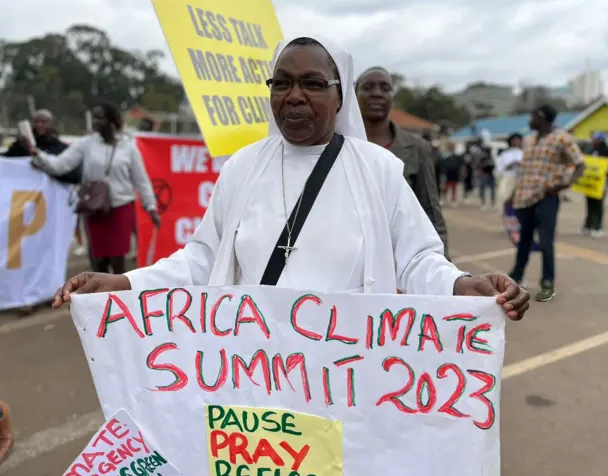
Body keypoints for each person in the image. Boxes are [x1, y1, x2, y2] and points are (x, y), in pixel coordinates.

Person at [51, 37, 529, 321]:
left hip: (347, 369)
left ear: (339, 97)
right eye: (282, 82)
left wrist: (462, 286)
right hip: (254, 370)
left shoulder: (378, 169)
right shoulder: (242, 166)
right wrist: (125, 282)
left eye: (313, 83)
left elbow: (418, 259)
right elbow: (202, 259)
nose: (294, 96)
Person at [31, 102, 160, 275]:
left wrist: (150, 207)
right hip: (94, 208)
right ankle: (100, 299)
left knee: (117, 258)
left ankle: (120, 297)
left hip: (121, 208)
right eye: (94, 117)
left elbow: (141, 180)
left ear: (111, 120)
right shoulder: (85, 144)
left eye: (99, 117)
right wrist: (37, 155)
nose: (94, 122)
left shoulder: (128, 147)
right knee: (98, 261)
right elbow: (60, 166)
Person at [355, 66, 449, 256]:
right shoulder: (338, 144)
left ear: (392, 97)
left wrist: (444, 265)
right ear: (354, 95)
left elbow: (430, 210)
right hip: (350, 258)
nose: (377, 93)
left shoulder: (417, 148)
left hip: (399, 257)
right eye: (368, 87)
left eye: (385, 88)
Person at [510, 105, 585, 302]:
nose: (529, 120)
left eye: (532, 116)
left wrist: (565, 184)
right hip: (524, 196)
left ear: (542, 118)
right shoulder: (529, 139)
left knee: (545, 241)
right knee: (524, 239)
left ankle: (547, 282)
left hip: (547, 196)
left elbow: (580, 164)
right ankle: (517, 275)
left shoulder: (562, 138)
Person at [3, 109, 81, 185]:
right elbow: (6, 163)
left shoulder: (63, 149)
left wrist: (46, 168)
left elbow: (74, 176)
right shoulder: (21, 147)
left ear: (52, 124)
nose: (39, 125)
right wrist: (19, 146)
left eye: (44, 122)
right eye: (36, 122)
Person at [582, 132, 608, 237]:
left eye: (596, 139)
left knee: (598, 205)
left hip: (601, 184)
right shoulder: (589, 151)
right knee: (589, 204)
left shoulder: (607, 152)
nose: (594, 141)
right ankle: (588, 225)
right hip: (590, 183)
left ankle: (598, 226)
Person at [495, 132, 523, 211]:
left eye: (518, 140)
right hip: (508, 178)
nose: (516, 142)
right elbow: (499, 169)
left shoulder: (524, 153)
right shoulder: (505, 154)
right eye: (514, 140)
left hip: (521, 179)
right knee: (506, 198)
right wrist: (509, 165)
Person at [440, 141, 462, 208]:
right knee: (446, 186)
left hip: (454, 173)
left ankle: (453, 200)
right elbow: (442, 164)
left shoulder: (457, 155)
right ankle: (444, 199)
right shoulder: (445, 155)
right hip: (447, 173)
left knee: (454, 187)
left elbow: (460, 164)